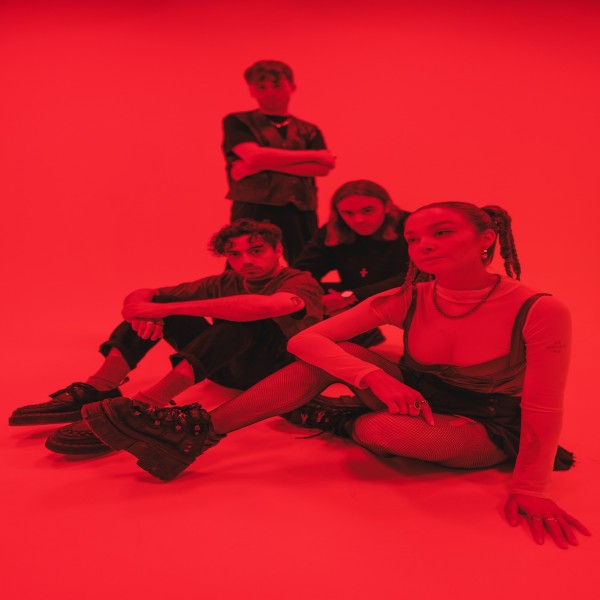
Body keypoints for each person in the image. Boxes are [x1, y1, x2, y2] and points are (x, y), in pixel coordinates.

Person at [43, 203, 589, 549]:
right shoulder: (406, 297)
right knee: (329, 352)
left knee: (380, 430)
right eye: (414, 239)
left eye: (441, 233)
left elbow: (544, 404)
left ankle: (339, 419)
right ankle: (196, 431)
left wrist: (530, 486)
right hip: (411, 393)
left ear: (487, 237)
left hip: (485, 422)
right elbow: (306, 340)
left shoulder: (539, 308)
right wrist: (376, 379)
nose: (424, 246)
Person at [9, 219, 323, 454]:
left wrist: (163, 309)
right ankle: (100, 387)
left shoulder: (300, 281)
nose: (246, 261)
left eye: (255, 251)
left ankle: (144, 408)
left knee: (243, 319)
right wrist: (147, 311)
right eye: (235, 254)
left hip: (273, 373)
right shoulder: (225, 281)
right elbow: (145, 294)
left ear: (278, 250)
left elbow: (273, 306)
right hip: (226, 370)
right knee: (161, 305)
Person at [223, 59, 335, 264]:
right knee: (244, 263)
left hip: (300, 207)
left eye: (277, 85)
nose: (270, 92)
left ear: (292, 87)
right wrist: (315, 155)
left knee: (306, 265)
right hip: (253, 206)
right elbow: (254, 156)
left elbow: (323, 169)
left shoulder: (309, 129)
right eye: (262, 87)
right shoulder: (237, 122)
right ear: (251, 90)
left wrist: (260, 164)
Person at [293, 179, 409, 347]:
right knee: (295, 295)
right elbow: (303, 270)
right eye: (348, 213)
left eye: (367, 210)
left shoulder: (410, 226)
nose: (358, 219)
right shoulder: (334, 229)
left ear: (387, 207)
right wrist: (316, 299)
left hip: (401, 295)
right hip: (356, 292)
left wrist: (350, 296)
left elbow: (414, 277)